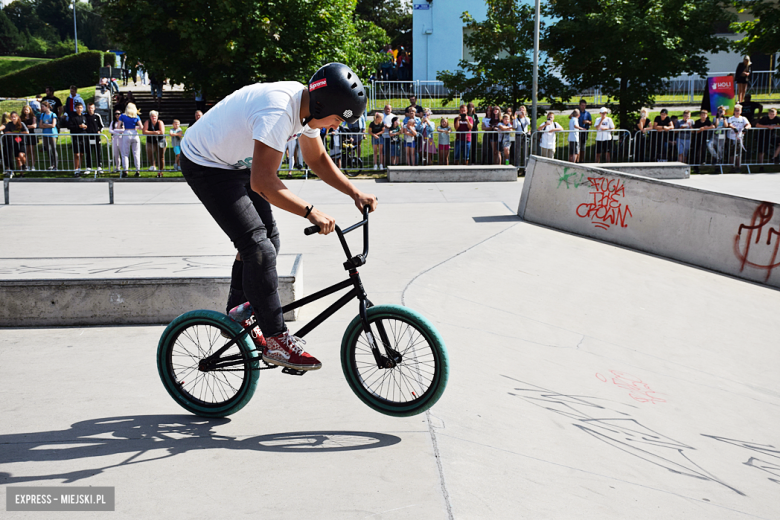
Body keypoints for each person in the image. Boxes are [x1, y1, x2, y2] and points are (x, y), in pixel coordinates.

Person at [179, 62, 377, 371]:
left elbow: (316, 158)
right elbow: (263, 183)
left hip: (235, 164)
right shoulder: (279, 112)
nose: (336, 127)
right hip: (206, 164)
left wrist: (354, 192)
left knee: (268, 239)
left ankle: (237, 309)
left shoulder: (307, 107)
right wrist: (310, 211)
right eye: (337, 119)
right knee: (258, 247)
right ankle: (277, 340)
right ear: (323, 105)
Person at [119, 103, 143, 177]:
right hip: (134, 133)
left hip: (126, 133)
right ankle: (137, 170)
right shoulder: (136, 116)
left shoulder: (122, 116)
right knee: (136, 153)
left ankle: (125, 170)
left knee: (125, 154)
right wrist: (136, 128)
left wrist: (122, 128)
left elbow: (118, 126)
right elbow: (141, 127)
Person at [727, 103, 751, 173]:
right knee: (732, 153)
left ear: (741, 111)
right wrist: (734, 128)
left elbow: (748, 124)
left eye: (739, 110)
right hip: (731, 137)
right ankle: (732, 166)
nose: (737, 112)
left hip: (739, 138)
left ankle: (738, 166)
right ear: (734, 111)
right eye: (736, 110)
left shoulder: (743, 118)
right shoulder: (731, 118)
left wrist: (746, 128)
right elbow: (729, 124)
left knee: (739, 153)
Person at [82, 103, 105, 175]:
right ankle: (88, 167)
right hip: (88, 136)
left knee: (97, 151)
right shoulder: (84, 116)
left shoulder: (97, 116)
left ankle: (99, 166)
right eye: (89, 108)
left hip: (96, 137)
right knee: (88, 151)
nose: (90, 109)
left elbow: (102, 126)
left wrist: (99, 131)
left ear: (94, 108)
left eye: (91, 108)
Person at [143, 110, 166, 175]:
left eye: (155, 116)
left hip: (160, 141)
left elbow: (162, 132)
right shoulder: (147, 122)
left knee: (161, 156)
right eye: (152, 116)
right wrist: (155, 132)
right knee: (149, 153)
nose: (154, 118)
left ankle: (160, 171)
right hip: (150, 141)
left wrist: (150, 133)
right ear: (150, 117)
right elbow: (144, 131)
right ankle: (153, 165)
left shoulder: (160, 122)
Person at [68, 103, 88, 176]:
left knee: (82, 154)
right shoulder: (72, 117)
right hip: (76, 137)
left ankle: (79, 169)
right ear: (75, 108)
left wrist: (85, 127)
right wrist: (78, 126)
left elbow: (87, 125)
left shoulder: (84, 117)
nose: (79, 109)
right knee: (76, 154)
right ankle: (76, 169)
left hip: (83, 136)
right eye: (78, 108)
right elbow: (69, 126)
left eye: (81, 108)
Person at [39, 101, 58, 170]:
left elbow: (53, 125)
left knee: (53, 148)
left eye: (43, 106)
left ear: (47, 107)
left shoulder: (53, 114)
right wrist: (47, 125)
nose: (42, 108)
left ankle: (56, 165)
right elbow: (40, 125)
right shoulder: (42, 115)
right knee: (48, 149)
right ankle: (51, 164)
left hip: (52, 134)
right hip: (45, 134)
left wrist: (45, 125)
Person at [20, 104, 36, 170]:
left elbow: (34, 125)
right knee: (26, 151)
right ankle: (27, 165)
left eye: (27, 110)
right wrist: (27, 127)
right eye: (24, 110)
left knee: (32, 151)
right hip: (24, 136)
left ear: (30, 110)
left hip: (31, 135)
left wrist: (27, 127)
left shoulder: (33, 117)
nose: (26, 111)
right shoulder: (21, 118)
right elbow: (20, 126)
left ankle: (33, 165)